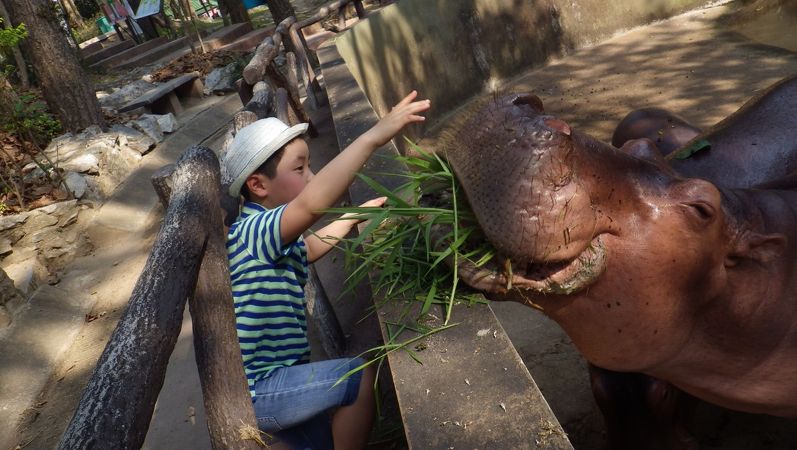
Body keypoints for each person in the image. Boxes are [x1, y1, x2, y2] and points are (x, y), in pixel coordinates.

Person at [223, 91, 431, 449]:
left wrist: (352, 217)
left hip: (276, 384)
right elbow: (313, 203)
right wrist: (373, 137)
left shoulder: (269, 239)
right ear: (258, 185)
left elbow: (309, 249)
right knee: (357, 378)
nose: (311, 176)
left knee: (319, 439)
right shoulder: (254, 230)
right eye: (300, 168)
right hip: (261, 392)